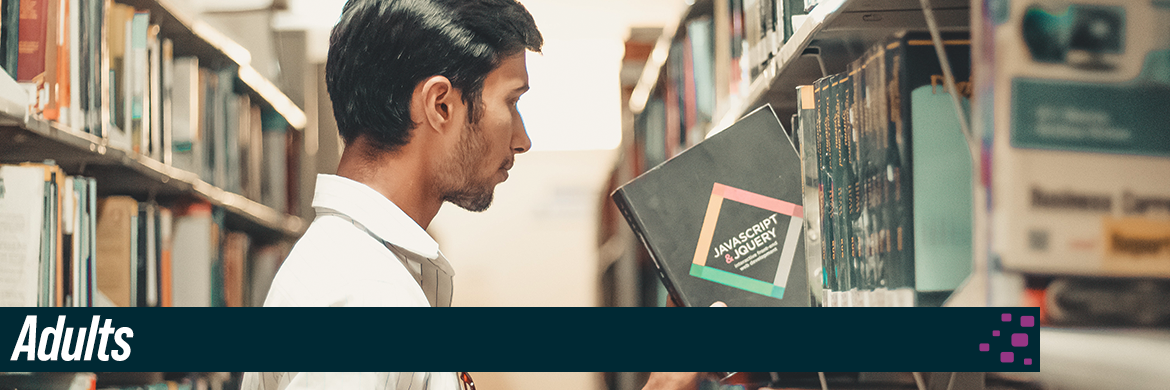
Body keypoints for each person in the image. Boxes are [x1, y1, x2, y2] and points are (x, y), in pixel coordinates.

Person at [241, 0, 540, 388]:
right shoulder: (364, 297)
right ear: (440, 105)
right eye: (511, 102)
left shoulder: (360, 269)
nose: (523, 140)